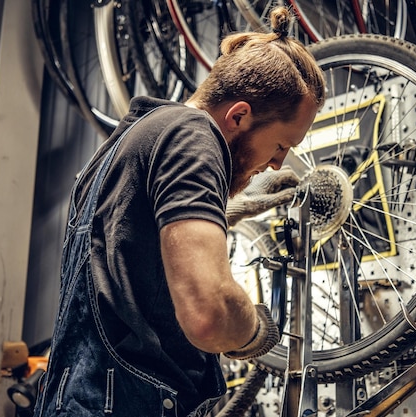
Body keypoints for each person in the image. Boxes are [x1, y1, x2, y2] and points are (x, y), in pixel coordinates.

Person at [33, 6, 326, 417]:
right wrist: (254, 329)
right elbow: (210, 315)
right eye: (280, 146)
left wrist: (239, 207)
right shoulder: (194, 138)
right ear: (239, 115)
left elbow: (138, 244)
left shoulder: (132, 140)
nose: (277, 163)